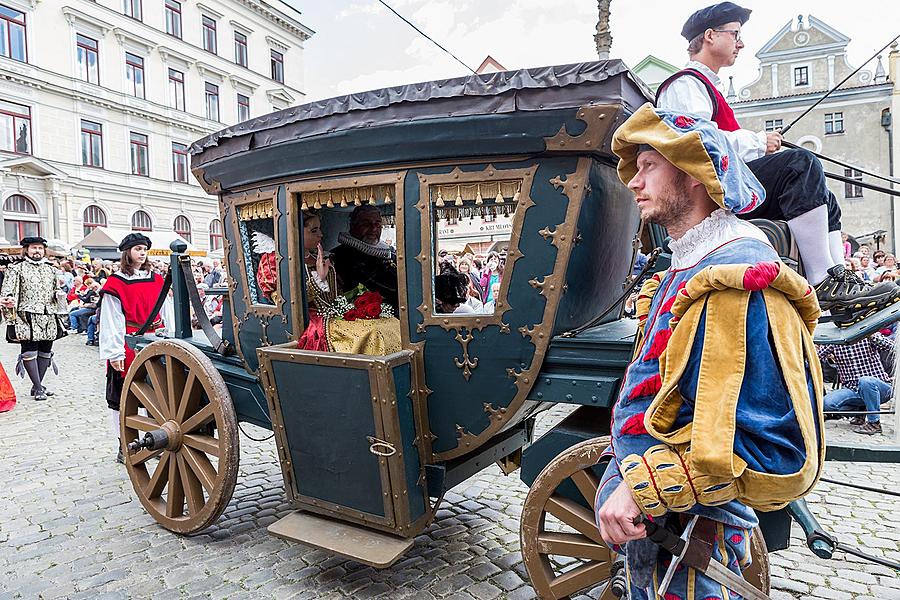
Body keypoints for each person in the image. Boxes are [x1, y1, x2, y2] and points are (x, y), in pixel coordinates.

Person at [595, 105, 823, 599]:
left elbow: (773, 445)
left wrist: (643, 486)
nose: (634, 181)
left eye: (650, 165)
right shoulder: (691, 264)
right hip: (660, 531)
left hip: (697, 536)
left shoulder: (740, 277)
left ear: (695, 173)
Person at [656, 1, 900, 319]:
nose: (741, 43)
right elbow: (697, 141)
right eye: (735, 34)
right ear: (711, 36)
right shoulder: (685, 85)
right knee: (801, 164)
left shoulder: (705, 87)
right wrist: (758, 141)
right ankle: (822, 282)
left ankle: (839, 282)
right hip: (710, 197)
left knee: (825, 198)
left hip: (727, 190)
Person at [99, 233, 167, 463]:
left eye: (144, 249)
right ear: (127, 252)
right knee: (122, 398)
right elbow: (111, 319)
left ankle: (155, 440)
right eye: (138, 248)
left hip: (155, 339)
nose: (142, 252)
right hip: (128, 342)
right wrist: (114, 351)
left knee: (157, 394)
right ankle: (125, 444)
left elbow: (166, 311)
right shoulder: (116, 283)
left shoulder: (156, 278)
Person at [0, 237, 68, 401]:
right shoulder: (17, 269)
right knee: (29, 350)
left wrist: (59, 296)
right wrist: (8, 304)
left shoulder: (51, 270)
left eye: (40, 248)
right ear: (26, 250)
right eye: (33, 248)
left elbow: (55, 290)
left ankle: (38, 385)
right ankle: (38, 388)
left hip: (48, 315)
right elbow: (8, 292)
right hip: (26, 316)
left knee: (45, 351)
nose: (37, 251)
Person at [817, 333, 893, 435]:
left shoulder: (867, 334)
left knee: (865, 381)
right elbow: (816, 356)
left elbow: (892, 347)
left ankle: (874, 423)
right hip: (853, 389)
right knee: (827, 404)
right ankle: (860, 411)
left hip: (879, 387)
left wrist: (872, 336)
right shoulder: (835, 342)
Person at [331, 205, 399, 312]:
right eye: (366, 224)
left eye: (377, 223)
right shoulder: (342, 255)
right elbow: (384, 286)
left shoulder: (385, 251)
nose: (373, 228)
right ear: (353, 226)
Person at [297, 211, 337, 351]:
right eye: (314, 230)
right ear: (296, 232)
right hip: (309, 321)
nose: (320, 235)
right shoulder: (277, 261)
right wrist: (319, 278)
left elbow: (332, 296)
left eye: (320, 229)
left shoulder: (318, 258)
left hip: (331, 314)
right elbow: (287, 301)